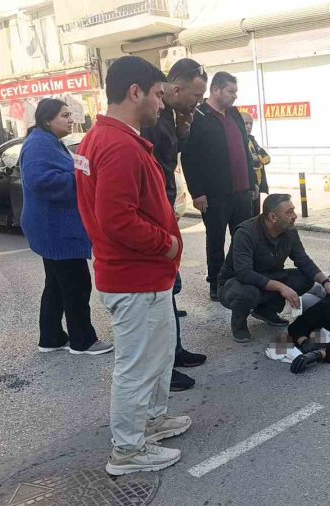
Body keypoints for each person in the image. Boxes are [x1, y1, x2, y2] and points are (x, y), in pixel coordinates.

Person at [75, 56, 188, 475]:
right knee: (136, 367)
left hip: (141, 275)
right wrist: (166, 244)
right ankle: (127, 451)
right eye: (159, 95)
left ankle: (152, 423)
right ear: (135, 91)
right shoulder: (118, 145)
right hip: (135, 275)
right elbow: (118, 219)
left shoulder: (103, 138)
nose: (163, 104)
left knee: (155, 359)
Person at [20, 98, 111, 356]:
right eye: (64, 115)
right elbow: (39, 180)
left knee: (56, 285)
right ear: (47, 120)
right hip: (55, 229)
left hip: (52, 227)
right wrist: (80, 179)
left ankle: (51, 338)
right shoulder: (38, 145)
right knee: (76, 284)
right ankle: (83, 341)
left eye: (70, 114)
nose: (71, 119)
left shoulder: (50, 142)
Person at [140, 58, 208, 392]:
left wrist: (183, 129)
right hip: (154, 215)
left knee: (169, 291)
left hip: (165, 209)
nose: (198, 102)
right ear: (175, 88)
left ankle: (175, 352)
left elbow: (168, 157)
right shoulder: (151, 119)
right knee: (162, 291)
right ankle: (163, 367)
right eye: (195, 96)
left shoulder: (169, 115)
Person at [218, 194, 330, 342]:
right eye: (289, 212)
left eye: (293, 210)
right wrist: (281, 287)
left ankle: (265, 310)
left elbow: (303, 260)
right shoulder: (245, 233)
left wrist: (326, 282)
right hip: (234, 284)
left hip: (269, 277)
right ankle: (239, 323)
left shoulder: (290, 231)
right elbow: (244, 273)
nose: (294, 216)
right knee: (248, 292)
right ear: (273, 217)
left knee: (305, 278)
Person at [182, 72, 258, 302]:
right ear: (215, 90)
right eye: (230, 92)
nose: (234, 96)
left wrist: (253, 182)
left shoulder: (234, 114)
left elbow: (245, 150)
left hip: (242, 191)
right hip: (215, 195)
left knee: (243, 238)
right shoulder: (199, 117)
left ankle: (239, 276)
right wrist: (197, 192)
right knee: (215, 240)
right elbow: (189, 157)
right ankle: (216, 282)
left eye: (235, 92)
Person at [240, 111, 270, 217]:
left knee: (256, 215)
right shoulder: (238, 140)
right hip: (246, 186)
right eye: (246, 123)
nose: (249, 126)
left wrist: (257, 158)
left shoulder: (253, 140)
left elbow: (267, 158)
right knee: (247, 218)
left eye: (251, 124)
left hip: (257, 184)